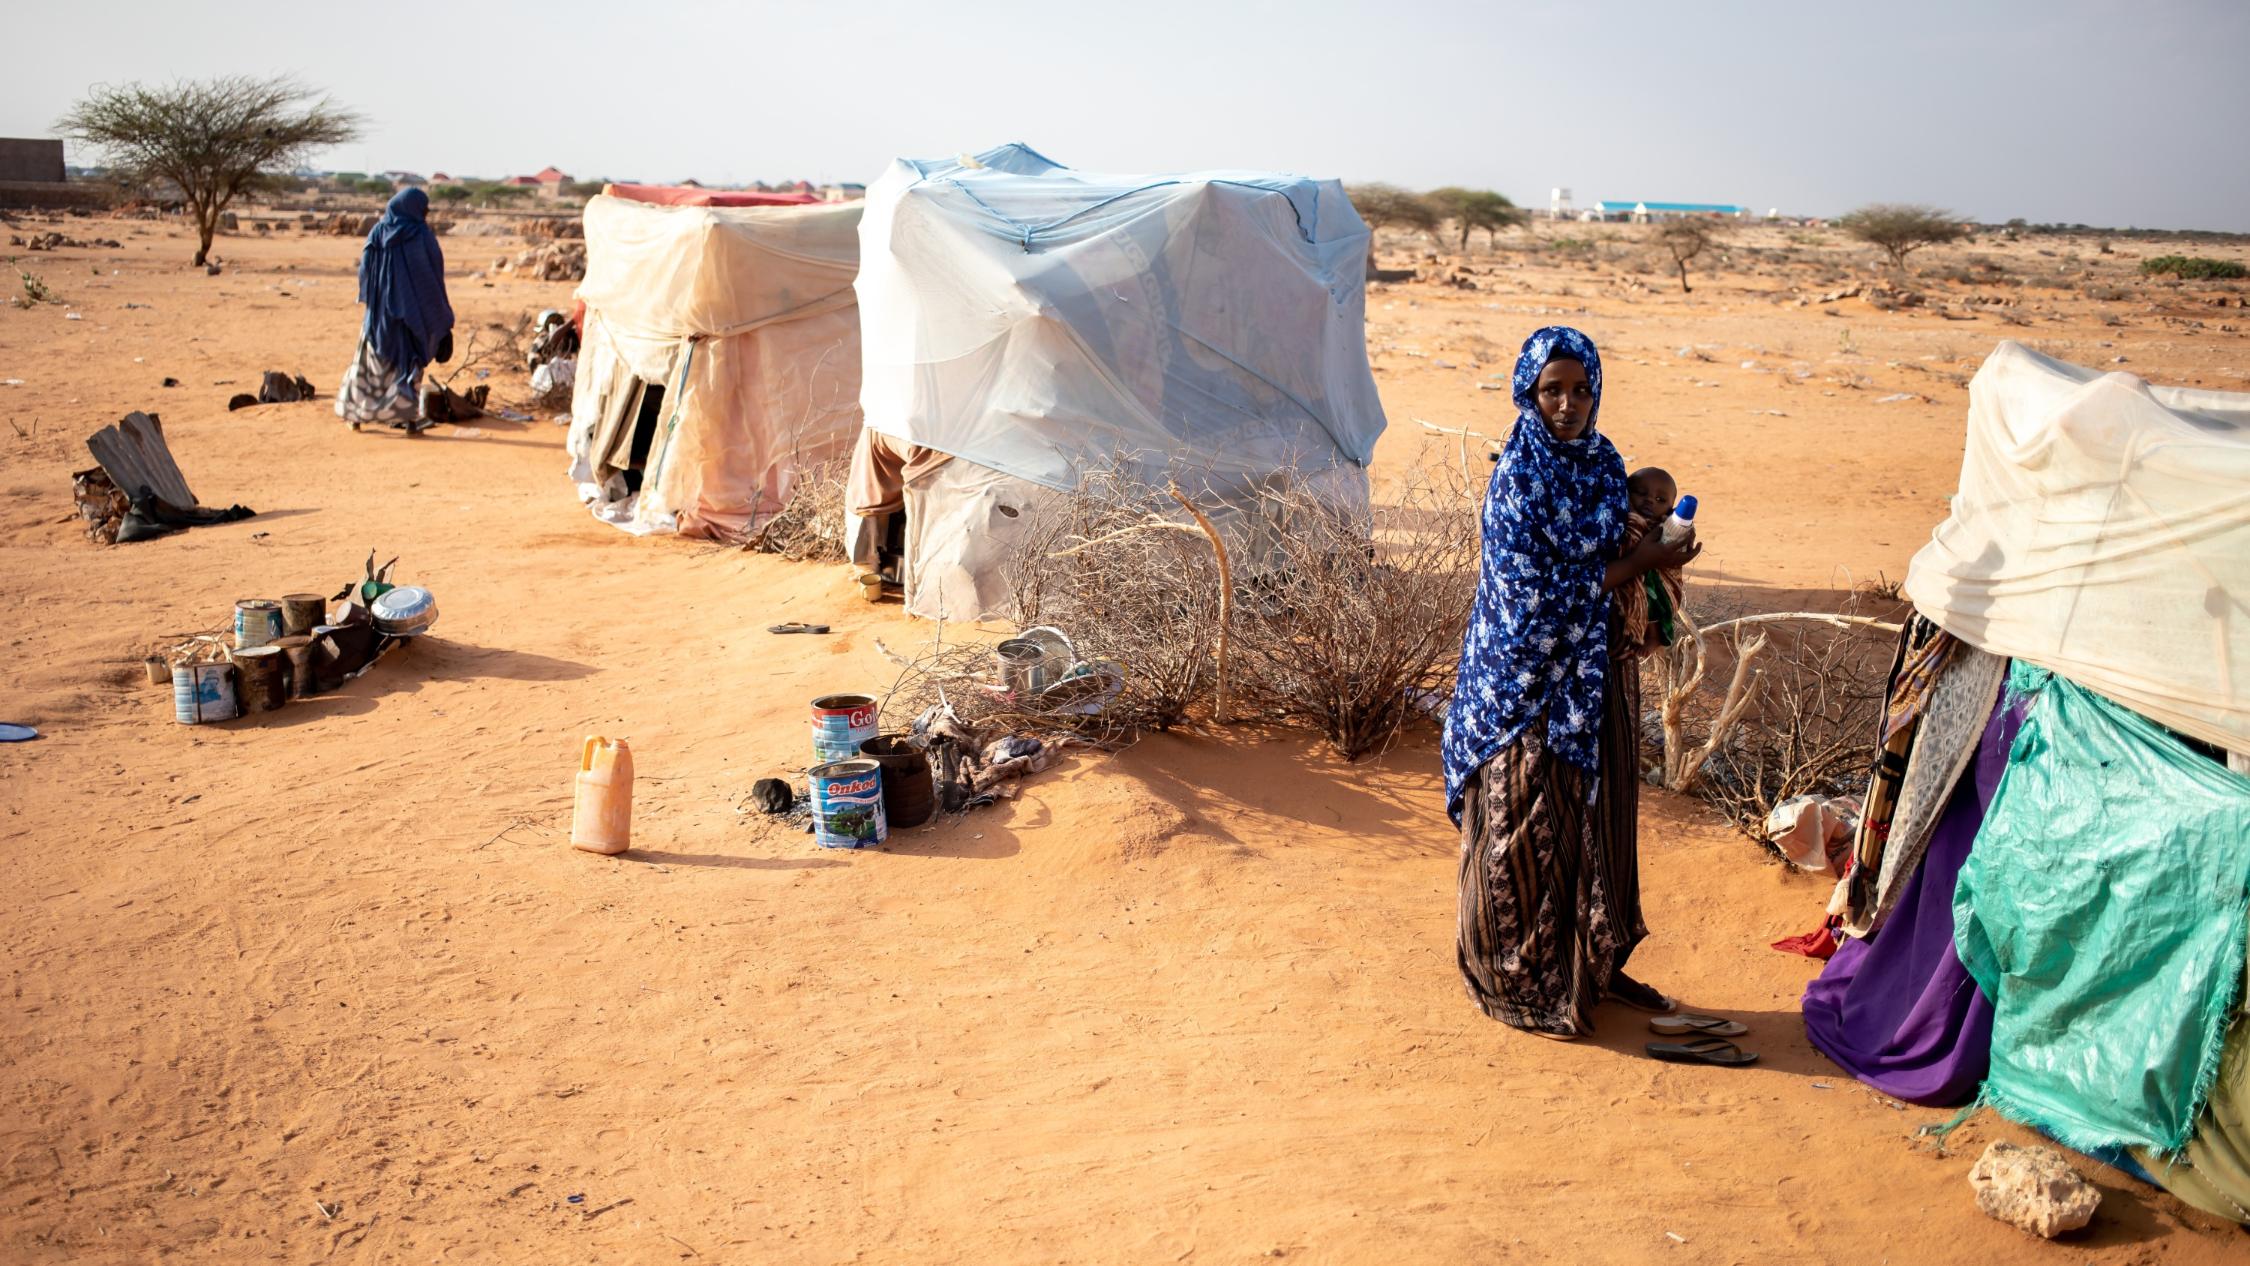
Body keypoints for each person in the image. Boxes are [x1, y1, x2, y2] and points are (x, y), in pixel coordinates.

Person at [1445, 327, 1702, 1040]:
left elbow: (1624, 537)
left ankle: (1595, 966)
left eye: (1580, 388)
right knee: (1524, 831)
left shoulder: (1603, 462)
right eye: (1551, 389)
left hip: (1596, 676)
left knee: (1601, 823)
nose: (1567, 403)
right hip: (1522, 686)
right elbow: (1531, 595)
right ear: (1528, 391)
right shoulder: (1519, 477)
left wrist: (1659, 553)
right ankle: (1518, 985)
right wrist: (1638, 560)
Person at [336, 188, 454, 434]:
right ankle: (410, 421)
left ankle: (356, 417)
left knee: (368, 368)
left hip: (379, 317)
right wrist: (440, 315)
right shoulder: (421, 235)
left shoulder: (378, 232)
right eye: (424, 207)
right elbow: (432, 278)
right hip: (412, 317)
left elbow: (365, 270)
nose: (427, 212)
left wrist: (377, 297)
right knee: (408, 367)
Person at [1618, 466, 1689, 657]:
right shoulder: (1619, 519)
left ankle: (1655, 636)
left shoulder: (1666, 526)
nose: (1649, 500)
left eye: (1660, 500)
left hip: (1655, 576)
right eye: (1641, 493)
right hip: (1629, 573)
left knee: (1654, 601)